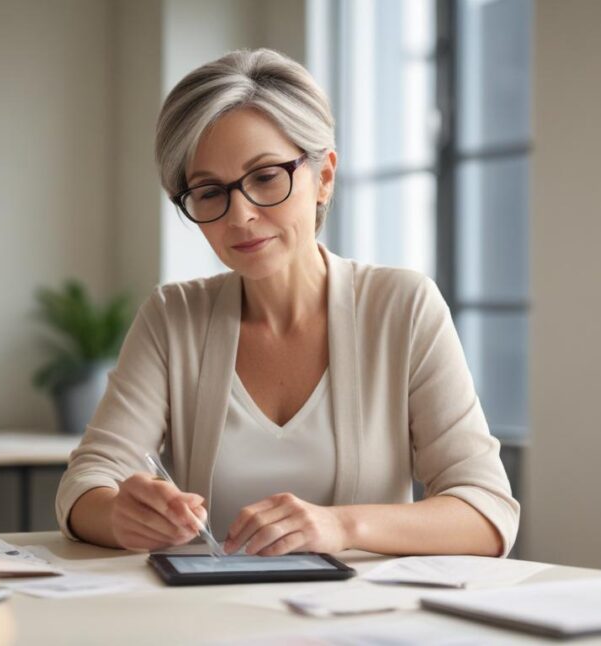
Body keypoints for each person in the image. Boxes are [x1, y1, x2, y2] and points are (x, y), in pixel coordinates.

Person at [55, 48, 519, 558]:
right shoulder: (173, 318)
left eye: (265, 176)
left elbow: (487, 511)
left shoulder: (404, 308)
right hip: (211, 608)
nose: (240, 215)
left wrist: (342, 526)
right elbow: (86, 483)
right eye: (209, 191)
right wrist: (119, 516)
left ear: (324, 177)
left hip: (364, 611)